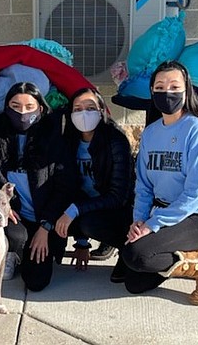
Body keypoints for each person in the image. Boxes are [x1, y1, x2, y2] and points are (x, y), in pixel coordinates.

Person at [120, 60, 198, 306]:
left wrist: (153, 226)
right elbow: (144, 185)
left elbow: (196, 193)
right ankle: (188, 255)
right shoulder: (150, 133)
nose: (166, 92)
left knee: (137, 254)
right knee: (134, 282)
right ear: (152, 92)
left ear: (186, 90)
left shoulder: (196, 129)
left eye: (174, 86)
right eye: (160, 86)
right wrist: (139, 221)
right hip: (168, 212)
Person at [0, 82, 75, 292]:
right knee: (16, 237)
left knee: (36, 281)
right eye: (15, 106)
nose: (22, 113)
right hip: (12, 214)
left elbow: (65, 187)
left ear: (41, 108)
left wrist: (46, 227)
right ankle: (11, 252)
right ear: (7, 107)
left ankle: (26, 250)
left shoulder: (53, 136)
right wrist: (0, 209)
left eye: (29, 107)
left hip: (45, 217)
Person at [54, 88, 133, 280]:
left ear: (101, 111)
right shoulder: (68, 142)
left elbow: (118, 196)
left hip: (116, 211)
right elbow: (69, 188)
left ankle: (126, 248)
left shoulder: (116, 141)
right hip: (83, 207)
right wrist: (82, 243)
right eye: (78, 108)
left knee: (90, 223)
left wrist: (75, 210)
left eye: (90, 108)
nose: (84, 113)